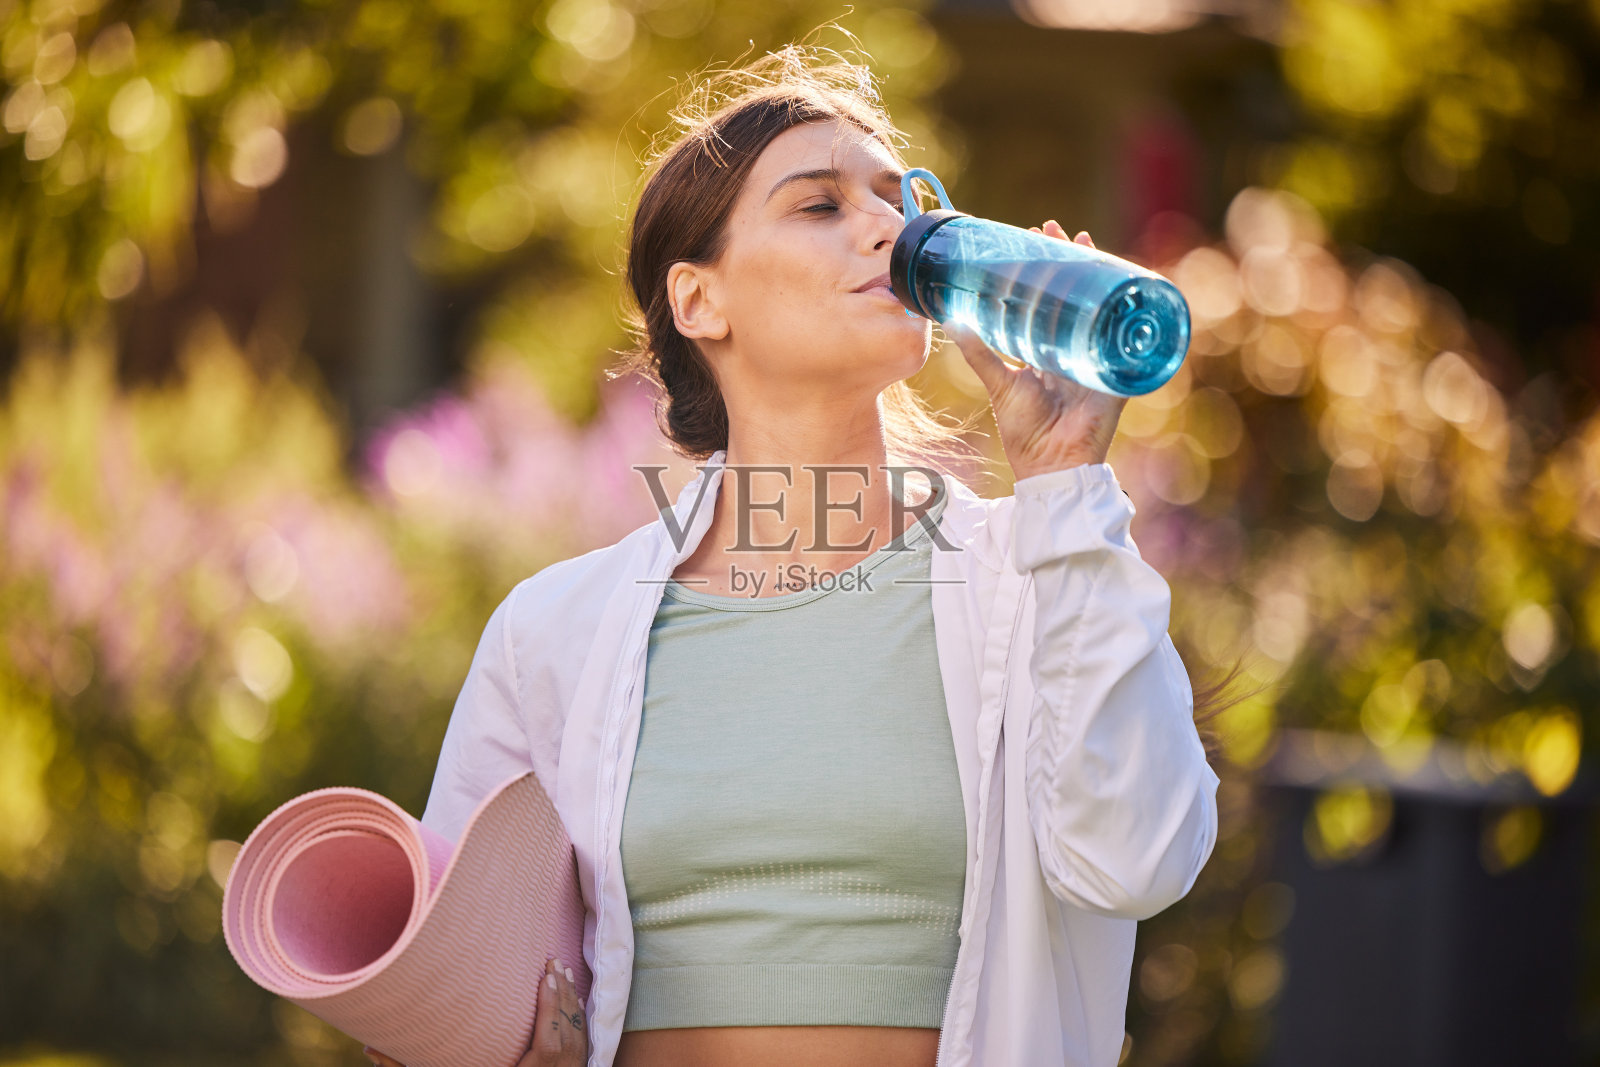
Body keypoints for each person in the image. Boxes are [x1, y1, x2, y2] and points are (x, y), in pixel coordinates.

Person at [368, 41, 1231, 1067]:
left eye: (894, 198)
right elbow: (448, 983)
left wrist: (1064, 479)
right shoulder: (556, 632)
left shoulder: (1035, 573)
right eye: (820, 205)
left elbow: (1140, 859)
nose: (889, 227)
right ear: (699, 302)